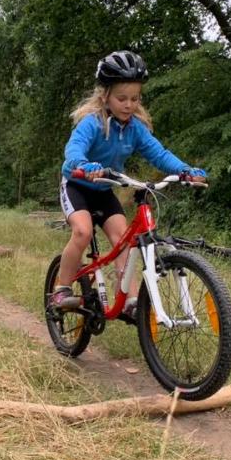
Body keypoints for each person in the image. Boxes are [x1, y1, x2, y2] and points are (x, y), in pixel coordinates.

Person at [50, 50, 207, 317]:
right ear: (105, 97)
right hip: (77, 186)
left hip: (103, 190)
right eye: (122, 98)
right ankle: (61, 288)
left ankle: (132, 301)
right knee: (82, 232)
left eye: (134, 98)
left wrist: (184, 170)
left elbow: (159, 154)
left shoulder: (135, 128)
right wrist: (84, 166)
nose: (129, 104)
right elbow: (74, 151)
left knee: (125, 242)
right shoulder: (92, 123)